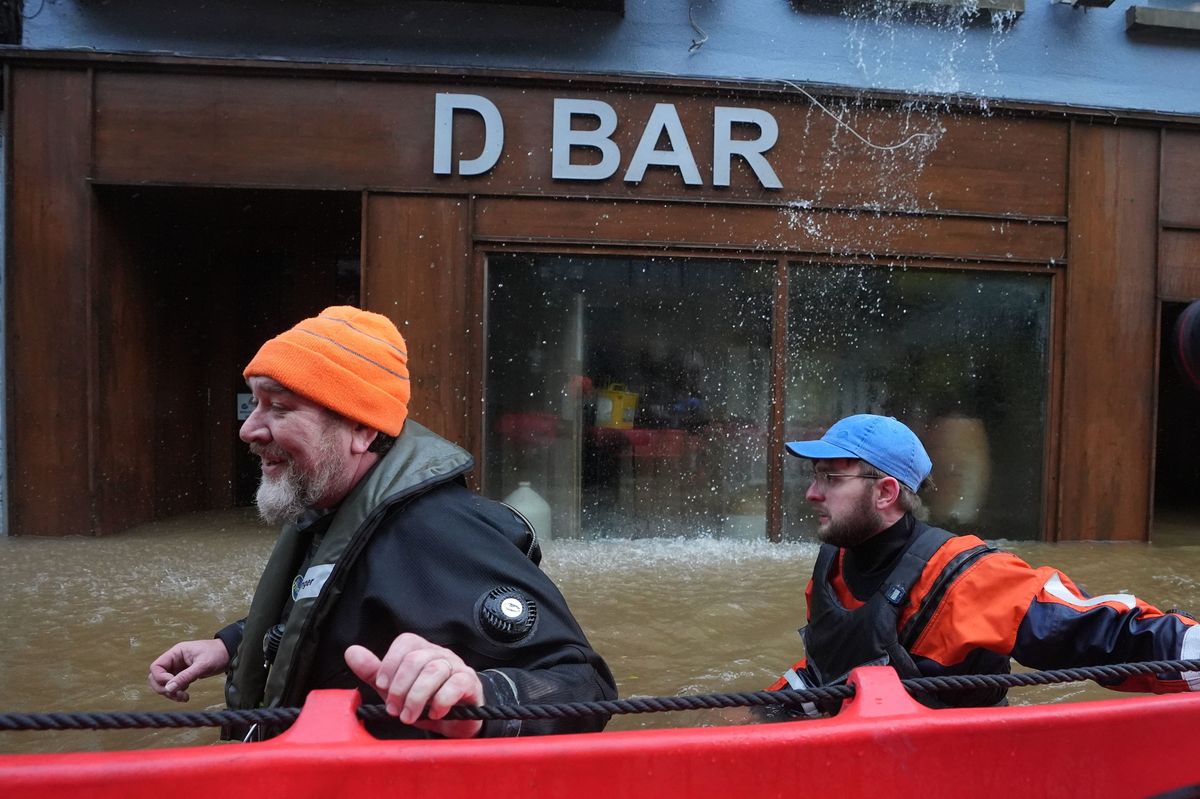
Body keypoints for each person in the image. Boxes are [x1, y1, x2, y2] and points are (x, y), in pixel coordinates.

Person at [148, 306, 616, 739]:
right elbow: (328, 605)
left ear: (361, 429)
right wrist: (232, 644)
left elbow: (584, 686)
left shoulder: (437, 529)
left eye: (280, 407)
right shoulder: (334, 507)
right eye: (255, 404)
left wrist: (480, 696)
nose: (248, 429)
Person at [769, 413, 1199, 710]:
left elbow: (1106, 633)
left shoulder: (969, 578)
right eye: (814, 475)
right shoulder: (834, 565)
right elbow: (831, 667)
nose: (812, 493)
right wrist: (758, 712)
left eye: (831, 477)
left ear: (885, 493)